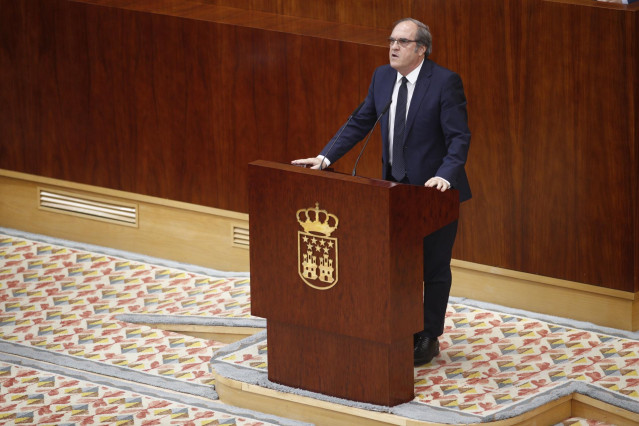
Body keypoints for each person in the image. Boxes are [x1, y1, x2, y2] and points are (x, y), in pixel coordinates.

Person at [292, 18, 471, 366]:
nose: (393, 47)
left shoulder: (444, 82)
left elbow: (459, 138)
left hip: (434, 193)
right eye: (391, 40)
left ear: (421, 49)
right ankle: (402, 325)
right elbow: (360, 120)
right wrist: (326, 156)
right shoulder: (382, 77)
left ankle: (429, 335)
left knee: (432, 267)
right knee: (395, 263)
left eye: (403, 42)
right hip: (392, 190)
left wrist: (444, 176)